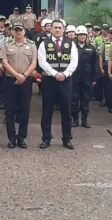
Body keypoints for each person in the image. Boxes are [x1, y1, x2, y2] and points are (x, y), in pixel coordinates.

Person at [37, 19, 78, 150]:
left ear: (63, 29)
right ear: (51, 29)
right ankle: (46, 138)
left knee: (66, 111)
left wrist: (65, 74)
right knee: (47, 110)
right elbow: (42, 62)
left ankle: (67, 138)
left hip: (65, 81)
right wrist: (55, 74)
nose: (57, 30)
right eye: (55, 27)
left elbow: (74, 62)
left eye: (60, 28)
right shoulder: (44, 44)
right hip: (49, 81)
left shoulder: (70, 44)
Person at [0, 24, 37, 149]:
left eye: (20, 30)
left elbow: (34, 63)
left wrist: (24, 76)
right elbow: (4, 62)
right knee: (9, 111)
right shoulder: (7, 44)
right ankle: (11, 138)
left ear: (24, 31)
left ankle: (21, 138)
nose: (18, 32)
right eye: (16, 30)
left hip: (26, 81)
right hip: (10, 80)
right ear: (12, 32)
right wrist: (16, 75)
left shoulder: (31, 44)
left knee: (24, 110)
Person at [71, 26, 97, 128]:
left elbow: (95, 64)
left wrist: (95, 78)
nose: (82, 36)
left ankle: (84, 120)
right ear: (77, 36)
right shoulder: (72, 47)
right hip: (74, 77)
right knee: (74, 99)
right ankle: (75, 120)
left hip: (87, 78)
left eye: (84, 35)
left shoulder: (91, 48)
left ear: (86, 36)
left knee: (85, 99)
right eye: (80, 35)